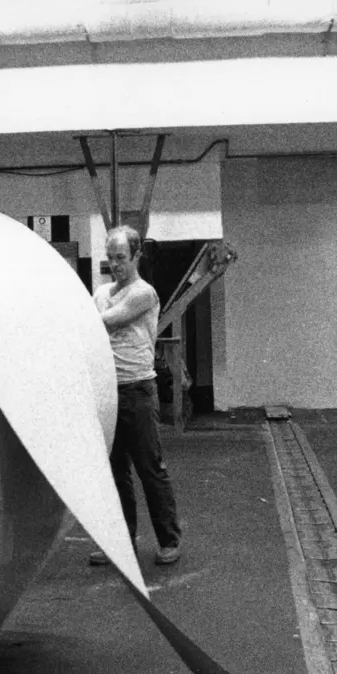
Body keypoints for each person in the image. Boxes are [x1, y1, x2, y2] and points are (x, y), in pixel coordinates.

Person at [89, 225, 183, 567]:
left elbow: (101, 323)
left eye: (121, 258)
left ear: (136, 256)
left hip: (137, 392)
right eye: (111, 258)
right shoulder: (101, 293)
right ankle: (121, 543)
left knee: (150, 469)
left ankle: (169, 540)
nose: (116, 265)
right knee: (115, 472)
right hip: (107, 392)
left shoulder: (144, 294)